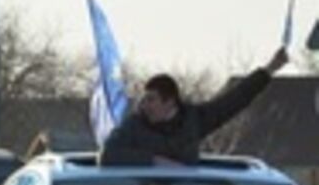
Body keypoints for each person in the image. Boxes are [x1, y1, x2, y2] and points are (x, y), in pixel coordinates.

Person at [100, 47, 289, 166]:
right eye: (144, 100)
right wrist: (154, 161)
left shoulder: (194, 120)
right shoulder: (134, 126)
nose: (145, 105)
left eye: (151, 100)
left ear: (170, 102)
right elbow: (107, 156)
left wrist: (269, 69)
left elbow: (233, 101)